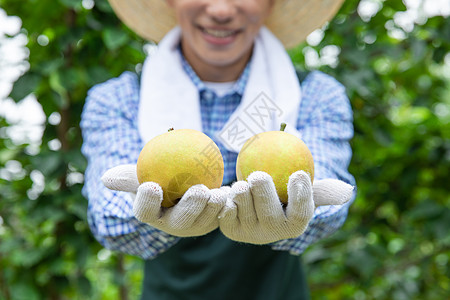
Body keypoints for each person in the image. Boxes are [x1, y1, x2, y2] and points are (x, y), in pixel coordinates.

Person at [80, 0, 356, 299]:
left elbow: (330, 202)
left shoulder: (314, 95)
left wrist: (300, 215)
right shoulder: (119, 100)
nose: (221, 11)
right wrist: (152, 216)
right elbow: (109, 217)